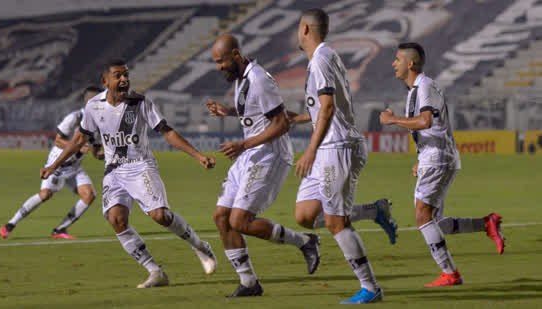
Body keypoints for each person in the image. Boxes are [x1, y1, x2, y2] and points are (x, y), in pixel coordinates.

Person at [40, 59, 217, 288]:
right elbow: (79, 139)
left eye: (126, 75)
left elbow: (168, 132)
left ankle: (200, 246)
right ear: (106, 81)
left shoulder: (140, 102)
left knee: (159, 216)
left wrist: (197, 155)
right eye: (118, 76)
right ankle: (155, 272)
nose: (124, 79)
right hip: (114, 170)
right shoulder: (94, 106)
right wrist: (54, 165)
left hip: (141, 165)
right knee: (116, 219)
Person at [379, 42, 505, 287]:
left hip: (438, 158)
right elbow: (433, 126)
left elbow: (425, 121)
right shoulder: (417, 89)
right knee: (432, 221)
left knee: (422, 217)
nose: (394, 63)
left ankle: (451, 273)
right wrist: (420, 158)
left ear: (410, 63)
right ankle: (486, 223)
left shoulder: (424, 86)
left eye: (397, 59)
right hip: (434, 157)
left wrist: (393, 120)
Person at [205, 34, 320, 297]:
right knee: (221, 217)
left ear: (236, 54)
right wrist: (229, 111)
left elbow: (281, 124)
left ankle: (305, 242)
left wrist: (243, 145)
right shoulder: (241, 79)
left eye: (221, 61)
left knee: (240, 220)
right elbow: (257, 112)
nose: (219, 67)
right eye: (215, 63)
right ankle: (249, 283)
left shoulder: (258, 79)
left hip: (269, 154)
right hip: (250, 154)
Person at [288, 8, 383, 304]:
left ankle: (370, 287)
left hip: (335, 148)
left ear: (305, 29)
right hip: (332, 146)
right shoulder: (327, 56)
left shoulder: (320, 60)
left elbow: (328, 108)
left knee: (335, 223)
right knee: (305, 215)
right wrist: (302, 117)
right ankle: (374, 211)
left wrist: (310, 151)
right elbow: (327, 106)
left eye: (297, 28)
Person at [0, 86, 104, 240]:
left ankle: (60, 229)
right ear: (90, 102)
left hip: (74, 167)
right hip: (58, 164)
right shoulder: (74, 118)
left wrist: (107, 154)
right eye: (101, 100)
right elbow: (58, 140)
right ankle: (10, 224)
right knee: (45, 194)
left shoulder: (98, 124)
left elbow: (96, 152)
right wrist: (77, 146)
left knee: (89, 195)